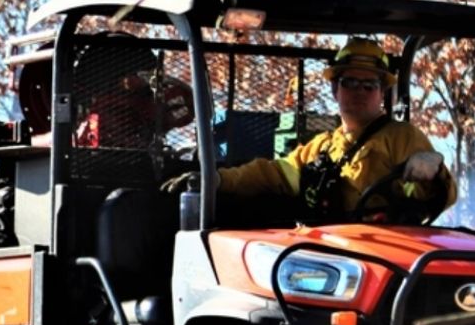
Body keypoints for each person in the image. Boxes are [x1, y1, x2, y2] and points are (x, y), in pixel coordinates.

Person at [164, 38, 456, 218]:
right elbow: (273, 174)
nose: (360, 91)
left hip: (387, 252)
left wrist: (434, 169)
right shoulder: (324, 146)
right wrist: (216, 181)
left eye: (370, 84)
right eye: (349, 83)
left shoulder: (402, 136)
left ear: (383, 94)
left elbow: (443, 194)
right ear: (334, 90)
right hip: (331, 251)